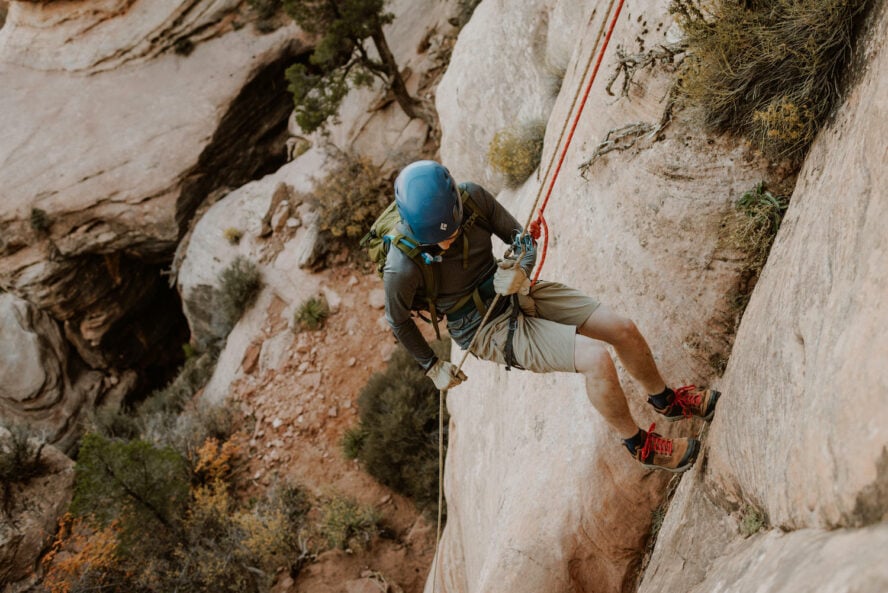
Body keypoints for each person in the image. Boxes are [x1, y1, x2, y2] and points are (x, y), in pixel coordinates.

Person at [383, 160, 720, 472]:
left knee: (623, 329)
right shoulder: (402, 265)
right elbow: (398, 321)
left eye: (453, 230)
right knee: (596, 359)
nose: (449, 241)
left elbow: (521, 240)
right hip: (482, 328)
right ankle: (639, 446)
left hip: (511, 288)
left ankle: (666, 401)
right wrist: (431, 365)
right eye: (439, 240)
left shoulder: (472, 198)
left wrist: (521, 269)